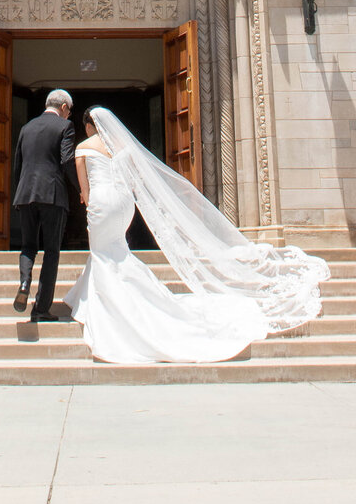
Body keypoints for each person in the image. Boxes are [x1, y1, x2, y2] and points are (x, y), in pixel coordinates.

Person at [63, 107, 328, 364]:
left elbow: (84, 190)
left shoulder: (83, 148)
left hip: (102, 203)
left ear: (88, 127)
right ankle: (89, 296)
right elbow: (133, 181)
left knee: (102, 252)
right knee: (116, 250)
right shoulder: (121, 147)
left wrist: (88, 199)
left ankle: (105, 303)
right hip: (123, 205)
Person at [12, 88, 76, 322]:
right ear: (63, 108)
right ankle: (40, 309)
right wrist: (81, 190)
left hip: (25, 194)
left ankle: (24, 283)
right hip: (52, 194)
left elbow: (18, 165)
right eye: (69, 111)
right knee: (51, 251)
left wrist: (19, 194)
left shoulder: (26, 128)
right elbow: (67, 160)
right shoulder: (64, 127)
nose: (68, 116)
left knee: (28, 246)